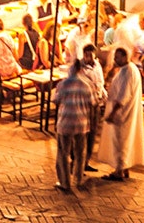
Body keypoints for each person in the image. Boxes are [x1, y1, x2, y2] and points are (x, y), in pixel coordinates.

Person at [102, 46, 142, 180]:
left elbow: (124, 95)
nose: (115, 60)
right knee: (124, 141)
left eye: (117, 57)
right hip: (125, 114)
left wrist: (113, 112)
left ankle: (119, 170)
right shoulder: (126, 70)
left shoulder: (128, 72)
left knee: (120, 142)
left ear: (125, 57)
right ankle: (124, 168)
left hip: (122, 114)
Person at [52, 58, 92, 192]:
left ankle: (65, 182)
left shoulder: (63, 84)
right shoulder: (86, 85)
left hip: (66, 123)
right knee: (80, 153)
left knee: (63, 153)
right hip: (81, 123)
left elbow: (56, 100)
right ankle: (78, 179)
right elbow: (92, 102)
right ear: (81, 70)